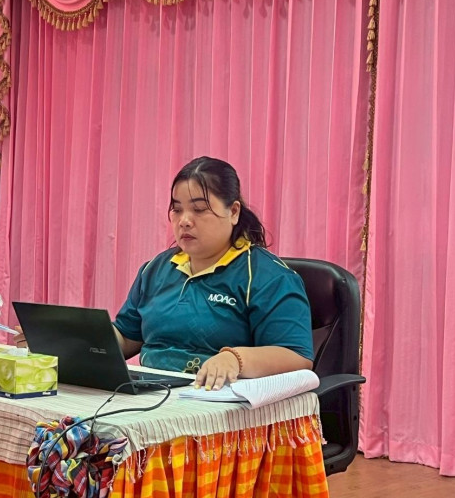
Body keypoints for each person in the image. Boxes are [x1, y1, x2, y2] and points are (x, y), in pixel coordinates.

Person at [112, 156, 313, 391]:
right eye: (177, 209)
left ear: (234, 212)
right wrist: (85, 341)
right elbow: (127, 336)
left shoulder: (268, 277)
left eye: (199, 209)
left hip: (219, 400)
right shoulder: (155, 269)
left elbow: (297, 356)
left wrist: (235, 359)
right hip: (152, 393)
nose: (184, 221)